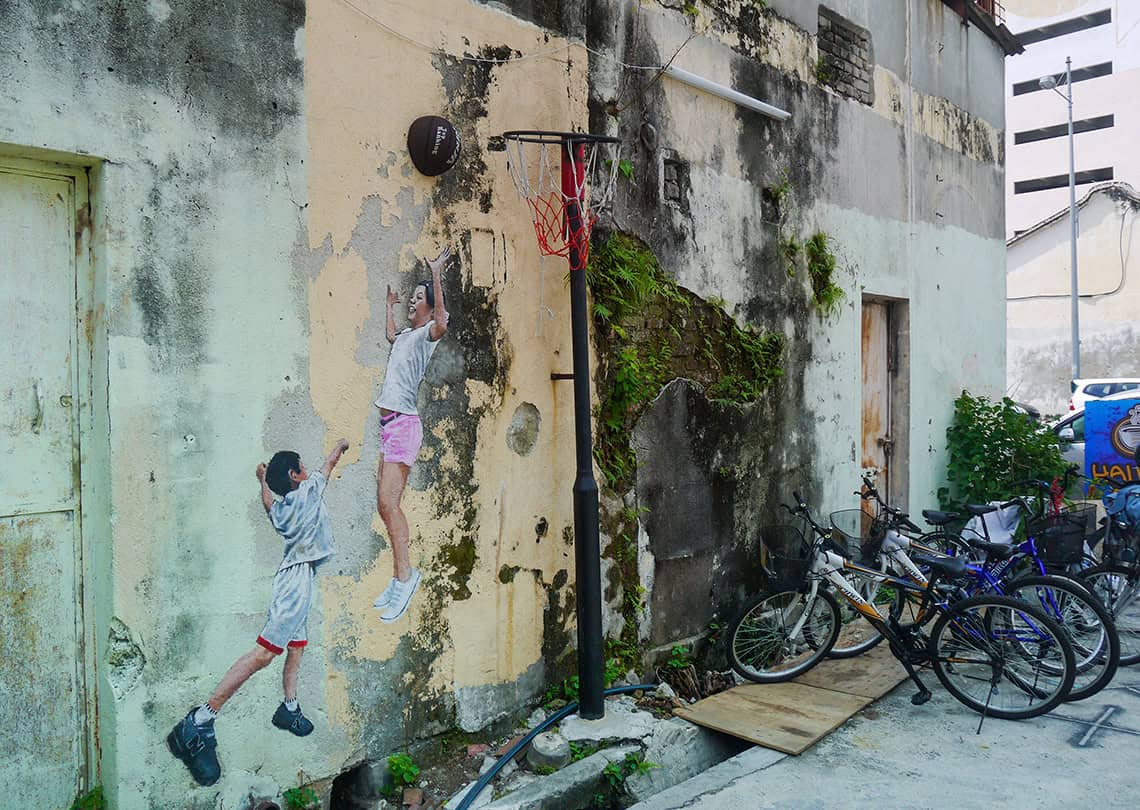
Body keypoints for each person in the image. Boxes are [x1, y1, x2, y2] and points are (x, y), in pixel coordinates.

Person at [167, 439, 349, 786]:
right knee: (264, 654)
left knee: (297, 647)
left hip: (298, 577)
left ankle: (289, 708)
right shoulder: (308, 491)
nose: (307, 469)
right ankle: (201, 719)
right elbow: (328, 466)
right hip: (295, 585)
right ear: (295, 475)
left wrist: (262, 479)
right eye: (301, 466)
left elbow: (268, 502)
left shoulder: (281, 510)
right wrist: (340, 446)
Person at [372, 247, 450, 623]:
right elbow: (390, 335)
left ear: (429, 307)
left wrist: (435, 274)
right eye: (414, 296)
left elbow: (443, 322)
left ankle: (406, 578)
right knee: (383, 505)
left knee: (390, 503)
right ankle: (397, 577)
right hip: (389, 427)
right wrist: (389, 306)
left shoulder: (425, 336)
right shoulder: (405, 336)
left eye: (420, 298)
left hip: (404, 425)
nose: (413, 301)